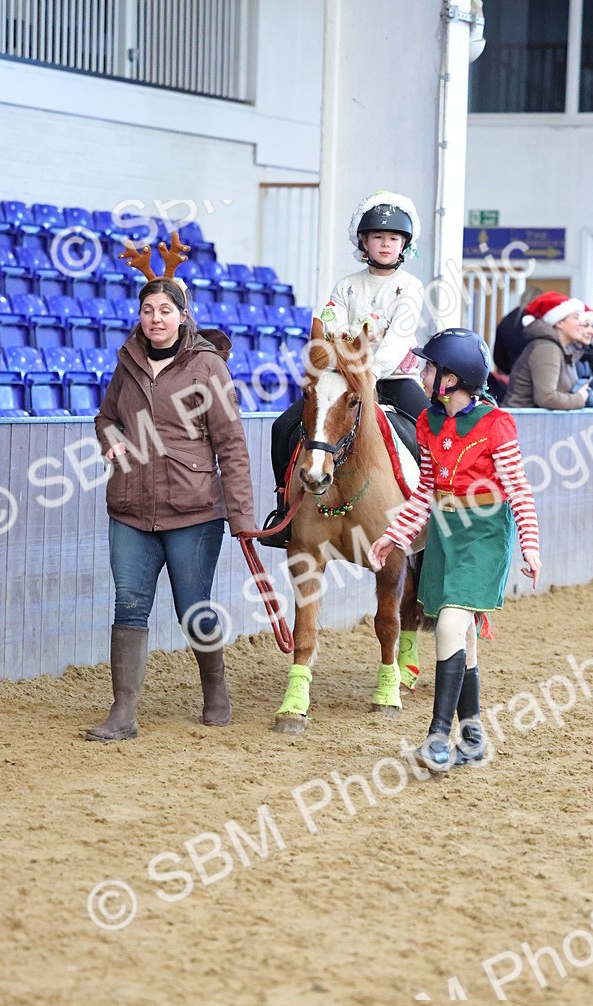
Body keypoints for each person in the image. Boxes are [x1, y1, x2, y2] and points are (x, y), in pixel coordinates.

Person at [87, 244, 257, 742]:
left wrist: (242, 517)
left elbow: (232, 445)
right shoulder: (128, 363)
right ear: (139, 318)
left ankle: (216, 689)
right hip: (130, 509)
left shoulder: (207, 368)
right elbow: (106, 417)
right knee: (129, 605)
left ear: (183, 317)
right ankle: (123, 713)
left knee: (193, 608)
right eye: (147, 310)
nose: (155, 319)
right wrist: (110, 437)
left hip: (195, 511)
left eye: (165, 311)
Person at [368, 328, 541, 771]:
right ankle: (473, 734)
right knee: (462, 635)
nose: (420, 374)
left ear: (451, 379)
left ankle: (438, 736)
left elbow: (519, 489)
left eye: (428, 368)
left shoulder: (495, 424)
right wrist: (394, 536)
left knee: (448, 626)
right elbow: (424, 491)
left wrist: (530, 545)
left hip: (484, 533)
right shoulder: (428, 422)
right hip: (446, 532)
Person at [260, 190, 425, 547]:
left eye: (393, 238)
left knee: (428, 430)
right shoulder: (347, 285)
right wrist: (346, 367)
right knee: (282, 426)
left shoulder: (410, 287)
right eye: (378, 237)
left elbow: (399, 338)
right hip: (343, 378)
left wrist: (370, 372)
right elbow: (333, 327)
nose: (385, 244)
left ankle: (438, 513)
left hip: (392, 378)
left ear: (404, 245)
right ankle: (284, 510)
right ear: (363, 241)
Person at [503, 292, 591, 410]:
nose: (581, 323)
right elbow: (546, 398)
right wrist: (578, 399)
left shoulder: (560, 349)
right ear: (559, 322)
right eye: (576, 317)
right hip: (523, 424)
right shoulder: (547, 349)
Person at [492, 283, 544, 375]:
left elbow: (498, 358)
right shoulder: (540, 321)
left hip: (512, 376)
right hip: (537, 373)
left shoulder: (507, 320)